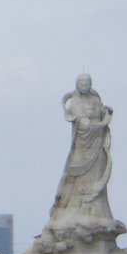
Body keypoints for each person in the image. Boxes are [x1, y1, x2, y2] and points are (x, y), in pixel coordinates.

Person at [51, 73, 115, 222]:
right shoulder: (75, 101)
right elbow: (74, 116)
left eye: (87, 85)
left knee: (97, 171)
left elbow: (101, 113)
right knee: (75, 170)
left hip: (97, 141)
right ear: (77, 85)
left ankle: (96, 208)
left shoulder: (95, 99)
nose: (84, 87)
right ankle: (73, 206)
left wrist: (106, 113)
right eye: (82, 85)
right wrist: (85, 122)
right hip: (82, 143)